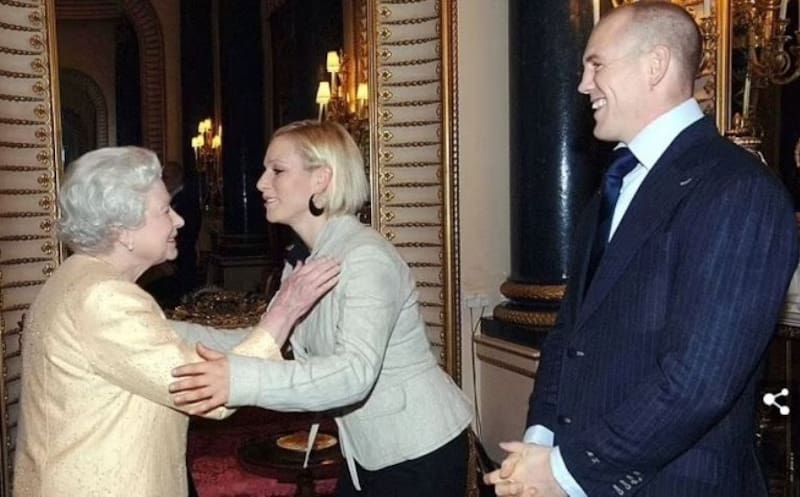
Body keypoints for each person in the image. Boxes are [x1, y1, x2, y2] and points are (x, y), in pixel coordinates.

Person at [484, 3, 798, 497]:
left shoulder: (738, 190)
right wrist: (541, 440)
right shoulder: (613, 187)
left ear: (655, 65)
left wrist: (569, 470)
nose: (583, 85)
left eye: (596, 65)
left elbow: (699, 381)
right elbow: (569, 336)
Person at [168, 120, 474, 497]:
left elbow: (355, 372)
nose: (261, 183)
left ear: (321, 179)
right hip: (367, 452)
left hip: (418, 451)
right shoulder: (304, 260)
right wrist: (162, 329)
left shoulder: (366, 258)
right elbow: (266, 338)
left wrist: (239, 382)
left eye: (277, 170)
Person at [13, 146, 339, 497]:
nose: (179, 220)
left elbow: (178, 349)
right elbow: (205, 393)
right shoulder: (103, 298)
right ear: (123, 229)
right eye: (164, 210)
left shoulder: (76, 278)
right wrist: (284, 312)